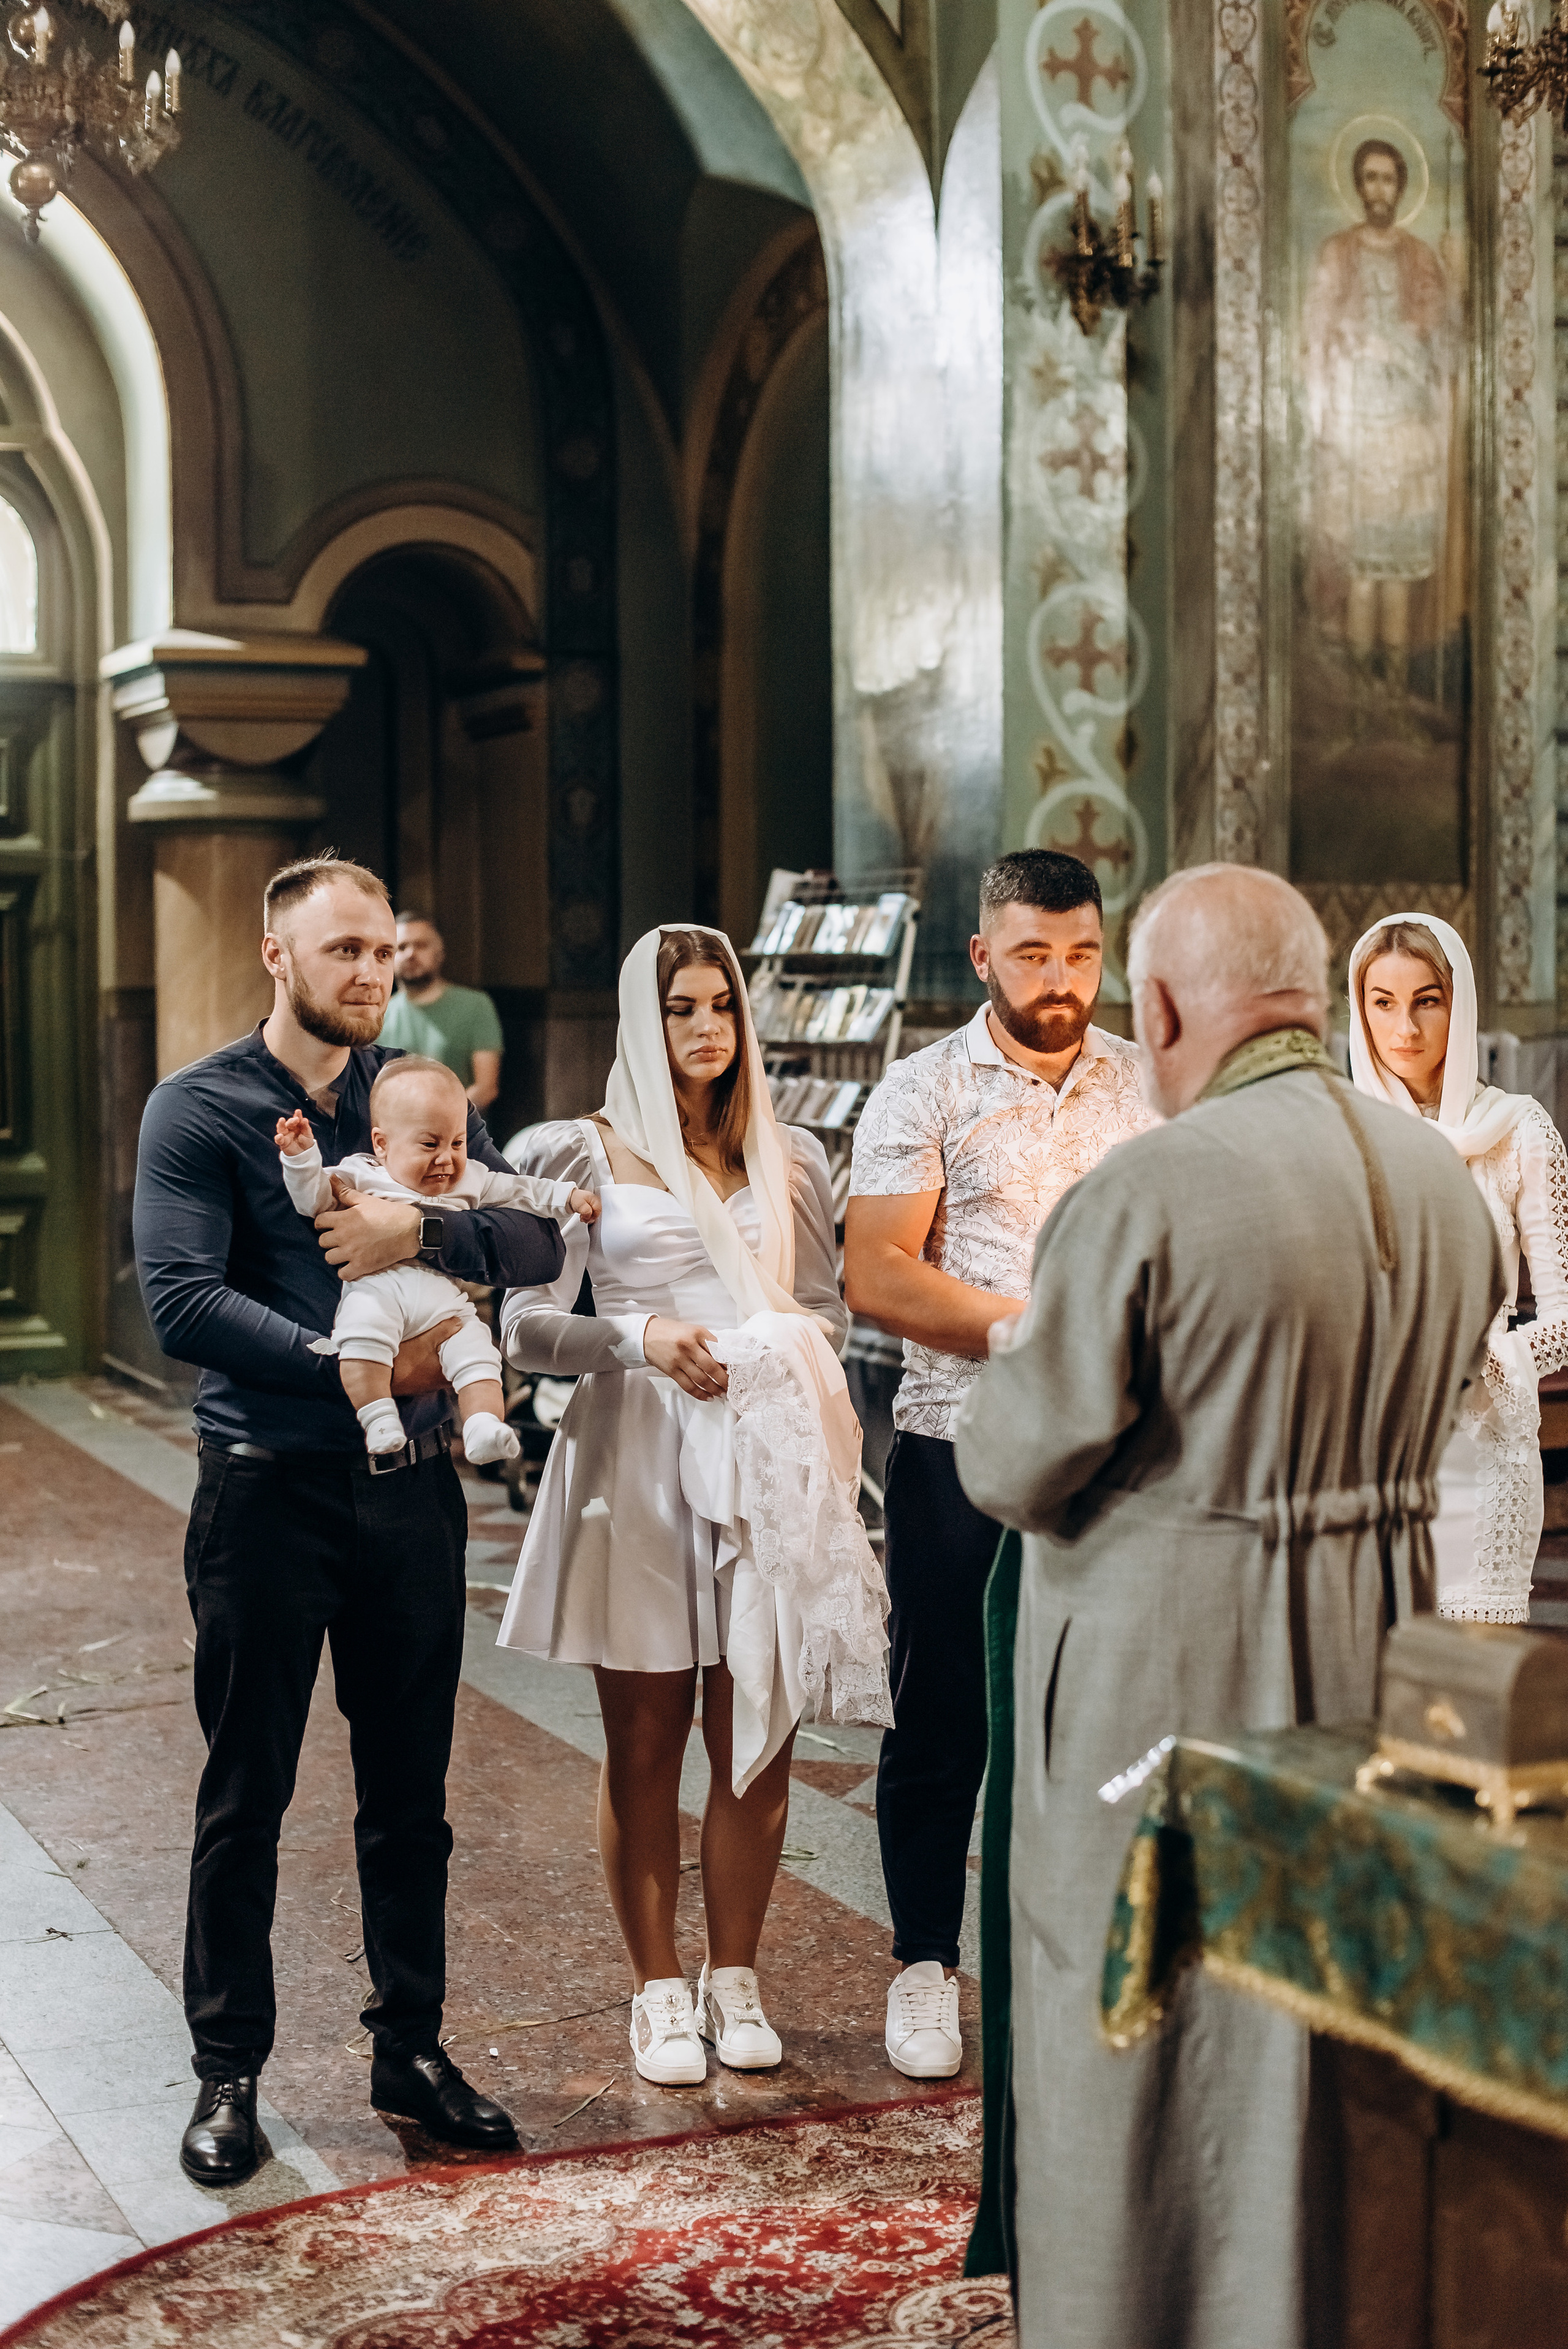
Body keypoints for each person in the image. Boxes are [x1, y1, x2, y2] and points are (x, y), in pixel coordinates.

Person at [954, 863, 1502, 2349]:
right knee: (1323, 2015)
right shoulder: (1437, 1173)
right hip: (1375, 1641)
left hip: (1167, 1658)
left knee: (1142, 2013)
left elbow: (1018, 1453)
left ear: (1162, 1004)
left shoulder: (1144, 1184)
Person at [133, 855, 567, 2187]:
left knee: (409, 1797)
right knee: (244, 1795)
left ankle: (411, 2047)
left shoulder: (413, 1102)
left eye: (383, 951)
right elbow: (184, 1306)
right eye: (344, 954)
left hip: (407, 1500)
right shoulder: (200, 1108)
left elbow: (535, 1247)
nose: (372, 975)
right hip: (267, 1491)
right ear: (278, 956)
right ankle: (227, 2070)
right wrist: (352, 1361)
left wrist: (407, 1247)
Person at [497, 925, 891, 2087]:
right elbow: (522, 1328)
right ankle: (658, 1987)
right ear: (641, 1018)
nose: (708, 1026)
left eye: (723, 1003)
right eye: (682, 1007)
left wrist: (777, 1348)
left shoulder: (798, 1156)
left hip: (763, 1451)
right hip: (638, 1451)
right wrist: (644, 1336)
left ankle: (737, 1972)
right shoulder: (576, 1150)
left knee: (758, 1727)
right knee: (645, 1739)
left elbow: (827, 1309)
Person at [843, 849, 1154, 2081]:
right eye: (1031, 954)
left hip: (1119, 1456)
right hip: (955, 1441)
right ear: (982, 956)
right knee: (943, 1709)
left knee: (1107, 1707)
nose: (1059, 978)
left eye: (1080, 953)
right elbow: (879, 1271)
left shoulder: (1145, 1083)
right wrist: (1026, 1328)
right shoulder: (920, 1088)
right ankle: (923, 1963)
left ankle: (1082, 1950)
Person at [1349, 912, 1568, 1622]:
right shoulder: (1341, 1133)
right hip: (1364, 1449)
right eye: (1382, 1004)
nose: (1404, 1029)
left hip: (1483, 1449)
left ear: (1459, 1003)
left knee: (1470, 1691)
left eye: (1426, 1001)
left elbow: (1565, 1316)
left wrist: (1493, 1359)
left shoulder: (1517, 1131)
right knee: (1369, 1691)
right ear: (1358, 1011)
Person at [275, 1054, 598, 1462]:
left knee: (478, 1351)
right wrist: (301, 1159)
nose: (446, 1158)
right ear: (382, 1144)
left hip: (443, 1301)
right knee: (361, 1341)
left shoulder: (469, 1178)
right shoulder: (362, 1173)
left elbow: (519, 1190)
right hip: (377, 1293)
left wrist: (566, 1197)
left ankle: (482, 1425)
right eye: (430, 1144)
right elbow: (313, 1199)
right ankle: (378, 1418)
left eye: (458, 1143)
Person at [1303, 136, 1455, 702]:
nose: (1378, 190)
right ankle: (1359, 710)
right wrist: (1359, 347)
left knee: (1398, 573)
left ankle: (1393, 704)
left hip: (1407, 433)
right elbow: (1317, 336)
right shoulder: (1336, 254)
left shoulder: (1420, 258)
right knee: (1362, 574)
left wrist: (1403, 343)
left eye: (1388, 179)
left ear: (1402, 187)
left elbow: (1440, 337)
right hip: (1355, 432)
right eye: (1369, 178)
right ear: (1357, 185)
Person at [382, 911, 505, 1109]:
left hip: (461, 1134)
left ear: (440, 953)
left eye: (421, 945)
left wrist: (435, 1122)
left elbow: (486, 1088)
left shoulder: (476, 1006)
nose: (411, 954)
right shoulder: (378, 1011)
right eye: (402, 947)